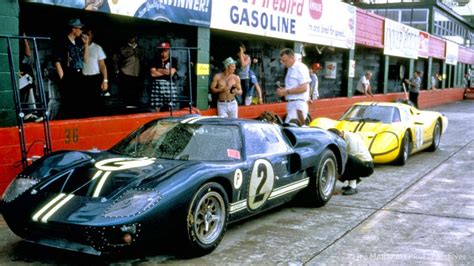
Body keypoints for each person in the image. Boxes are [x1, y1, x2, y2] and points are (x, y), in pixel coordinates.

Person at [54, 18, 89, 119]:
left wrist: (86, 44)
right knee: (68, 101)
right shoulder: (63, 42)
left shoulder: (78, 43)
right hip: (68, 74)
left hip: (78, 73)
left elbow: (86, 60)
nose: (81, 31)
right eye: (80, 28)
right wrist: (63, 78)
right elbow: (57, 61)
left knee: (78, 101)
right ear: (73, 29)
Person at [328, 128, 374, 196]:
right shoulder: (345, 136)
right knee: (344, 160)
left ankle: (353, 187)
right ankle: (351, 184)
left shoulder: (352, 140)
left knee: (346, 159)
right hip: (359, 163)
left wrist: (333, 177)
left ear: (340, 135)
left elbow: (348, 163)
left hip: (367, 166)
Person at [276, 48, 311, 126]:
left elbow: (304, 88)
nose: (283, 63)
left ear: (292, 57)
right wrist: (284, 90)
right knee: (292, 130)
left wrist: (286, 91)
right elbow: (295, 86)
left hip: (298, 104)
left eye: (285, 60)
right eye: (282, 61)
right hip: (292, 104)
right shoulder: (290, 69)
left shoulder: (300, 68)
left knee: (292, 130)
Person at [82, 27, 108, 116]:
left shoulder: (97, 48)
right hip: (82, 78)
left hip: (94, 78)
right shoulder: (78, 47)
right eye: (85, 34)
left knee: (95, 104)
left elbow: (102, 65)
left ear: (92, 36)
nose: (86, 36)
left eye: (88, 35)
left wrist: (105, 80)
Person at [114, 34, 144, 109]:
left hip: (137, 73)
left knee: (136, 92)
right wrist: (117, 71)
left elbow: (143, 60)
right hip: (126, 73)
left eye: (134, 37)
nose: (132, 39)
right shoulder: (123, 48)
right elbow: (115, 60)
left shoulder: (140, 49)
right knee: (126, 92)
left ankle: (134, 108)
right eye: (131, 37)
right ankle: (126, 109)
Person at [150, 42, 178, 111]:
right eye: (161, 50)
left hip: (169, 83)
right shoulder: (155, 60)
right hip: (157, 84)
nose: (163, 52)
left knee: (171, 104)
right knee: (156, 105)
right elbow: (153, 74)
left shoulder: (173, 60)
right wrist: (166, 72)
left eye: (165, 50)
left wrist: (158, 70)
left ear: (168, 51)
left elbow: (171, 73)